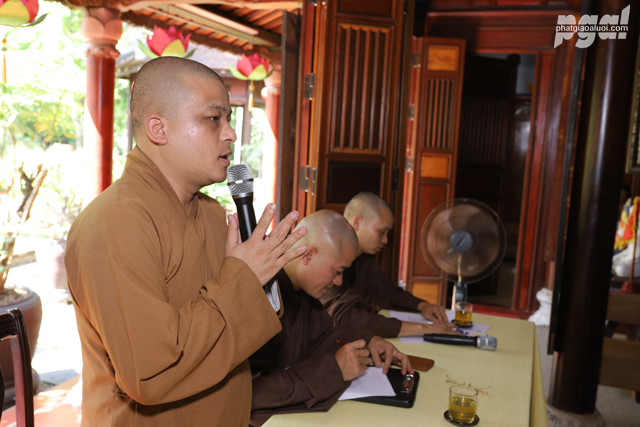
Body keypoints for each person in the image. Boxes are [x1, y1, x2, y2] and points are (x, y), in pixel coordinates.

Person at [65, 57, 308, 426]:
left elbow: (240, 331)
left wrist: (262, 275)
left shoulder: (212, 214)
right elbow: (151, 371)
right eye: (213, 119)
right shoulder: (114, 223)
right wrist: (242, 277)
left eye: (228, 119)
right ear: (159, 129)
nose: (231, 133)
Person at [249, 210, 412, 426]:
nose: (338, 282)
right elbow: (251, 391)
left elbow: (323, 337)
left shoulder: (301, 293)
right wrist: (333, 371)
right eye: (337, 271)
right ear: (308, 255)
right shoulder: (258, 292)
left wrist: (369, 340)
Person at [323, 192, 460, 338]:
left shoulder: (364, 261)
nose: (385, 240)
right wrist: (423, 328)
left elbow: (386, 291)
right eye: (381, 232)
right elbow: (349, 318)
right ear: (357, 222)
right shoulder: (329, 259)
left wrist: (422, 305)